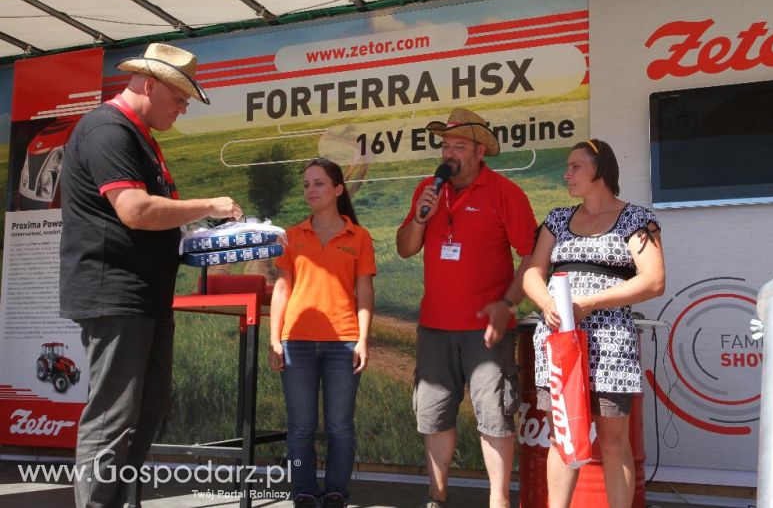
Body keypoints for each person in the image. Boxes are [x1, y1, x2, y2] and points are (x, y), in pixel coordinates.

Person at [59, 43, 243, 508]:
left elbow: (161, 221)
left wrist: (211, 238)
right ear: (148, 84)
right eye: (180, 98)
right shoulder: (107, 129)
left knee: (146, 411)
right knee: (114, 416)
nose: (183, 109)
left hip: (144, 298)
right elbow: (135, 211)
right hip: (115, 295)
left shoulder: (141, 138)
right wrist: (210, 205)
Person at [396, 108, 537, 508]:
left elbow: (531, 256)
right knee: (434, 414)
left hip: (486, 329)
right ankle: (436, 496)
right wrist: (423, 217)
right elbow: (405, 248)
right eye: (445, 146)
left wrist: (507, 302)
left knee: (494, 416)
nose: (449, 154)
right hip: (435, 327)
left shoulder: (506, 193)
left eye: (458, 146)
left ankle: (498, 501)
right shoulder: (428, 188)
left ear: (479, 151)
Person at [522, 139, 665, 508]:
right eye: (567, 167)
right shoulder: (556, 218)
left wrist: (588, 303)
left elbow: (653, 280)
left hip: (611, 343)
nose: (566, 174)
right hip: (560, 341)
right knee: (562, 435)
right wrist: (548, 303)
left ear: (600, 170)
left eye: (575, 167)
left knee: (615, 439)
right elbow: (532, 274)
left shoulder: (636, 219)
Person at [269, 158, 376, 508]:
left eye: (318, 183)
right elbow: (282, 290)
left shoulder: (359, 237)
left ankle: (335, 492)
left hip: (343, 342)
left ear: (338, 190)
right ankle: (302, 489)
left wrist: (362, 338)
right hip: (296, 341)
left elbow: (364, 293)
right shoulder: (291, 236)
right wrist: (274, 338)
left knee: (340, 427)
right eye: (306, 185)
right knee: (299, 428)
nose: (310, 190)